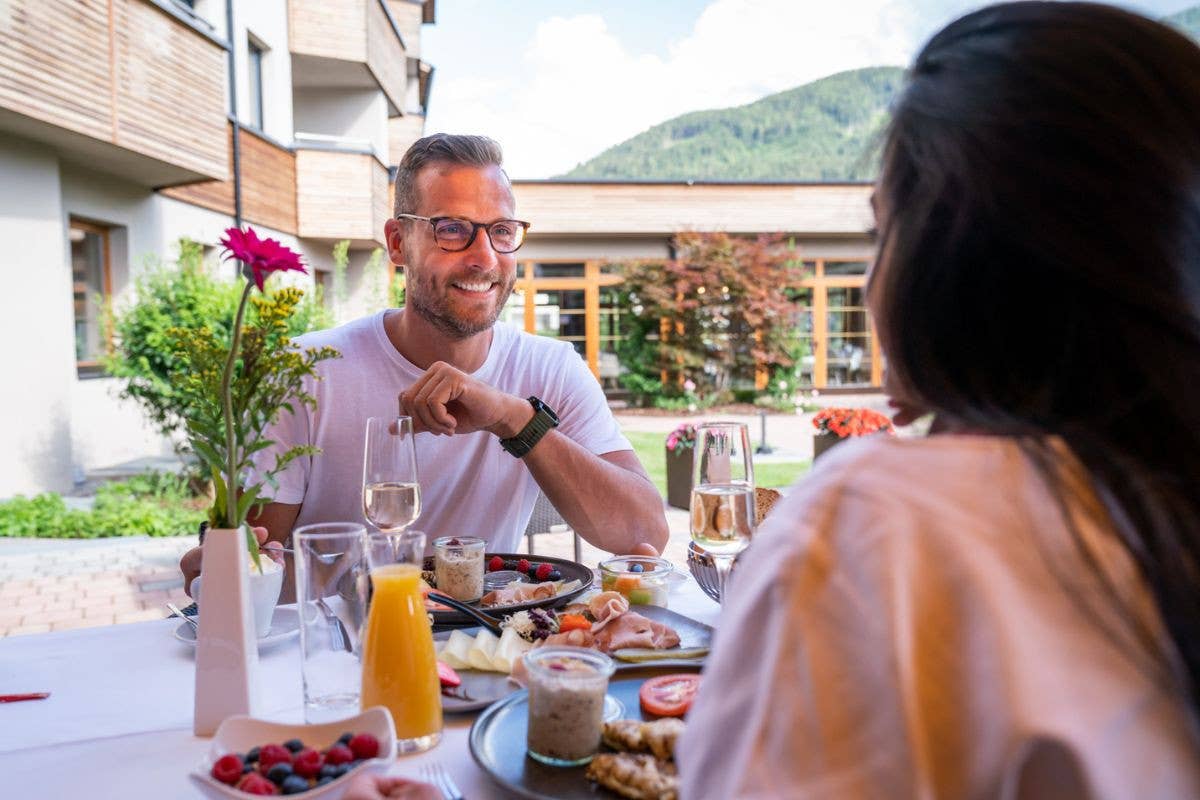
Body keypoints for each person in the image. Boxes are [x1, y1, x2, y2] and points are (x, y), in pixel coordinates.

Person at [679, 3, 1200, 797]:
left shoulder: (882, 524)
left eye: (880, 233)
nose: (866, 279)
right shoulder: (1152, 503)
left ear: (950, 255)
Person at [181, 134, 667, 591]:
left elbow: (644, 535)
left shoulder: (551, 368)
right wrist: (222, 570)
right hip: (336, 656)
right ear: (397, 243)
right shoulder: (306, 371)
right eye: (452, 229)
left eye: (501, 231)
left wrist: (515, 418)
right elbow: (253, 564)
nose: (485, 257)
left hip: (482, 653)